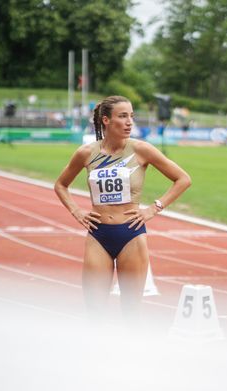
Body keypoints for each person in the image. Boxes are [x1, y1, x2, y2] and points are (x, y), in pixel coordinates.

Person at [54, 95, 191, 320]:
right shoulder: (86, 153)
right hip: (98, 235)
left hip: (131, 235)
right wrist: (76, 211)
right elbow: (61, 185)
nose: (129, 122)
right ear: (106, 120)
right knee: (95, 311)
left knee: (131, 311)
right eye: (123, 116)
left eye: (132, 117)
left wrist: (154, 208)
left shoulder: (141, 150)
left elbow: (183, 179)